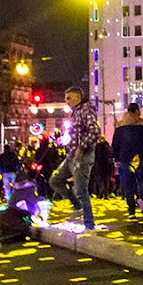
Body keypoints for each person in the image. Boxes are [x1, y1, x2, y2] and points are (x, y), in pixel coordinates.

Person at [49, 88, 103, 229]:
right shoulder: (76, 112)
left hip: (82, 157)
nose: (66, 101)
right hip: (71, 156)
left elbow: (95, 131)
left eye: (69, 98)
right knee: (55, 181)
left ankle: (89, 224)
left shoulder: (85, 110)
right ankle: (77, 207)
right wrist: (63, 142)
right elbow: (76, 134)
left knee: (81, 191)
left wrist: (82, 147)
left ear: (78, 98)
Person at [113, 102, 143, 216]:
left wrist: (116, 159)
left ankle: (131, 210)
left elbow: (115, 143)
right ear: (137, 111)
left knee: (128, 183)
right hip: (141, 157)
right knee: (142, 180)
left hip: (125, 158)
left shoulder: (120, 125)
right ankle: (140, 197)